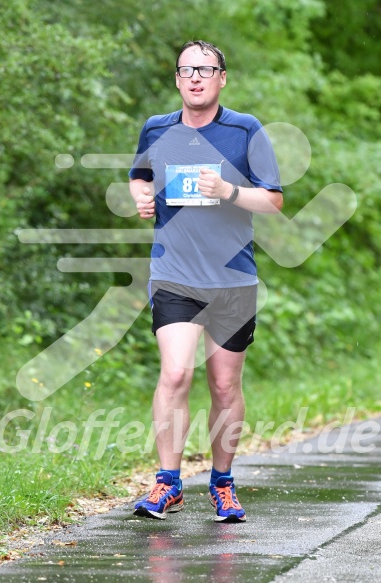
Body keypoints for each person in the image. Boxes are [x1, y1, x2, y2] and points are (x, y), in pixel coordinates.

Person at [129, 40, 283, 522]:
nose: (195, 77)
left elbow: (273, 200)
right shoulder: (157, 128)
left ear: (222, 78)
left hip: (232, 279)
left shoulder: (246, 130)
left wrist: (230, 190)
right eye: (186, 69)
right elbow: (138, 175)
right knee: (175, 373)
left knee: (223, 385)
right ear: (177, 79)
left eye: (206, 69)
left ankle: (222, 483)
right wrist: (143, 198)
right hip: (174, 273)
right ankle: (168, 483)